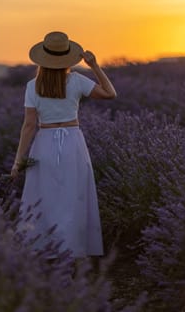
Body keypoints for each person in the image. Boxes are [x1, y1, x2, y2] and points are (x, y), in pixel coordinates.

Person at [11, 31, 117, 258]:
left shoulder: (33, 86)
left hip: (44, 144)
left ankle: (45, 251)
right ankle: (72, 252)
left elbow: (29, 126)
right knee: (73, 198)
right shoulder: (77, 80)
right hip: (73, 143)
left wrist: (18, 159)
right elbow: (110, 93)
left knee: (44, 198)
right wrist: (95, 66)